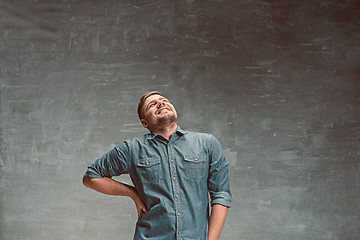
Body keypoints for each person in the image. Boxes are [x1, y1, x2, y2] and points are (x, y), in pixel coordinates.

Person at [83, 91, 231, 240]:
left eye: (164, 100)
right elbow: (91, 176)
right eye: (152, 105)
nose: (161, 103)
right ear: (145, 122)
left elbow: (221, 195)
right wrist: (133, 193)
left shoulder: (207, 144)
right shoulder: (131, 149)